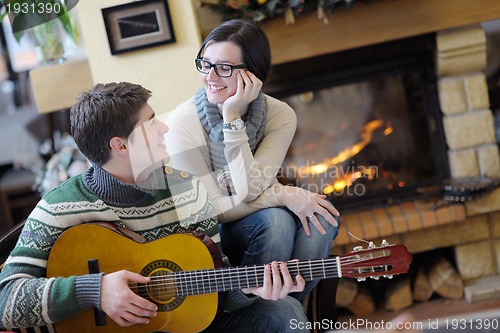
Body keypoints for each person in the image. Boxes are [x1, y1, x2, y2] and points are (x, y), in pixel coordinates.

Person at [0, 82, 310, 333]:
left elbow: (218, 287)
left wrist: (251, 290)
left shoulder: (188, 189)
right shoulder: (57, 208)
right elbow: (5, 303)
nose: (163, 128)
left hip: (181, 325)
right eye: (150, 123)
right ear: (120, 145)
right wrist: (95, 290)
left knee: (284, 311)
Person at [165, 19, 341, 301]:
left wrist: (231, 118)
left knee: (322, 217)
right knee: (276, 221)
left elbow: (251, 188)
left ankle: (282, 304)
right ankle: (258, 307)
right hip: (211, 234)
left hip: (252, 214)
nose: (210, 76)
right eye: (205, 64)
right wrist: (281, 194)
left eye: (224, 68)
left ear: (253, 75)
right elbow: (209, 212)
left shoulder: (279, 114)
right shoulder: (182, 123)